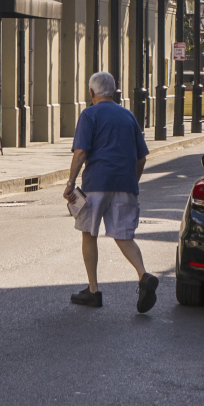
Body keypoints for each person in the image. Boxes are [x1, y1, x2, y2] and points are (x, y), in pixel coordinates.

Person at [64, 71, 155, 311]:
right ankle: (143, 274)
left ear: (91, 92)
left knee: (89, 233)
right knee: (124, 236)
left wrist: (71, 182)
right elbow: (141, 158)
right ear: (114, 92)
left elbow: (81, 152)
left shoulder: (89, 114)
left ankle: (93, 290)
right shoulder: (128, 116)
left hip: (96, 184)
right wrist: (131, 182)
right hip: (125, 185)